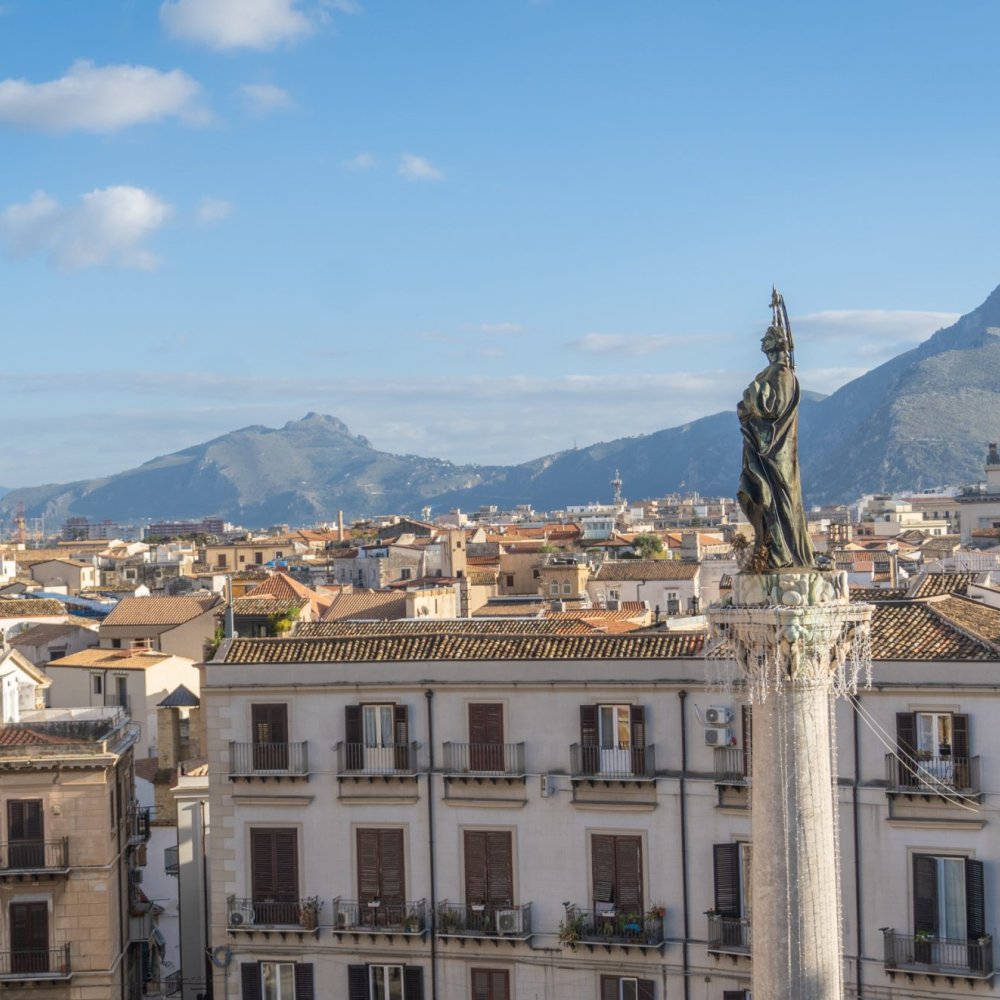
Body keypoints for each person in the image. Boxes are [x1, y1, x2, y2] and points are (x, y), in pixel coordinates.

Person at [737, 293, 815, 570]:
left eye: (770, 347)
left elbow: (772, 407)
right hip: (764, 448)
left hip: (776, 449)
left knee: (778, 500)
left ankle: (783, 554)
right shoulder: (770, 374)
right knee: (767, 499)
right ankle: (772, 550)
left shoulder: (782, 375)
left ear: (779, 348)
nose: (767, 352)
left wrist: (753, 392)